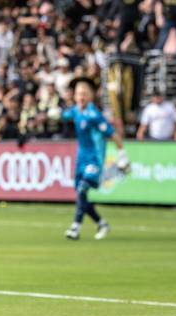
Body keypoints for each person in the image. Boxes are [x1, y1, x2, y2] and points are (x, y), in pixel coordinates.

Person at [62, 77, 113, 241]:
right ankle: (101, 223)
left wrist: (123, 155)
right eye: (78, 94)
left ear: (90, 96)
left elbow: (112, 134)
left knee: (83, 189)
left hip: (94, 159)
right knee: (80, 195)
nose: (81, 97)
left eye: (84, 94)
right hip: (81, 159)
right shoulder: (76, 111)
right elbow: (65, 115)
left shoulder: (94, 115)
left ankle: (75, 227)